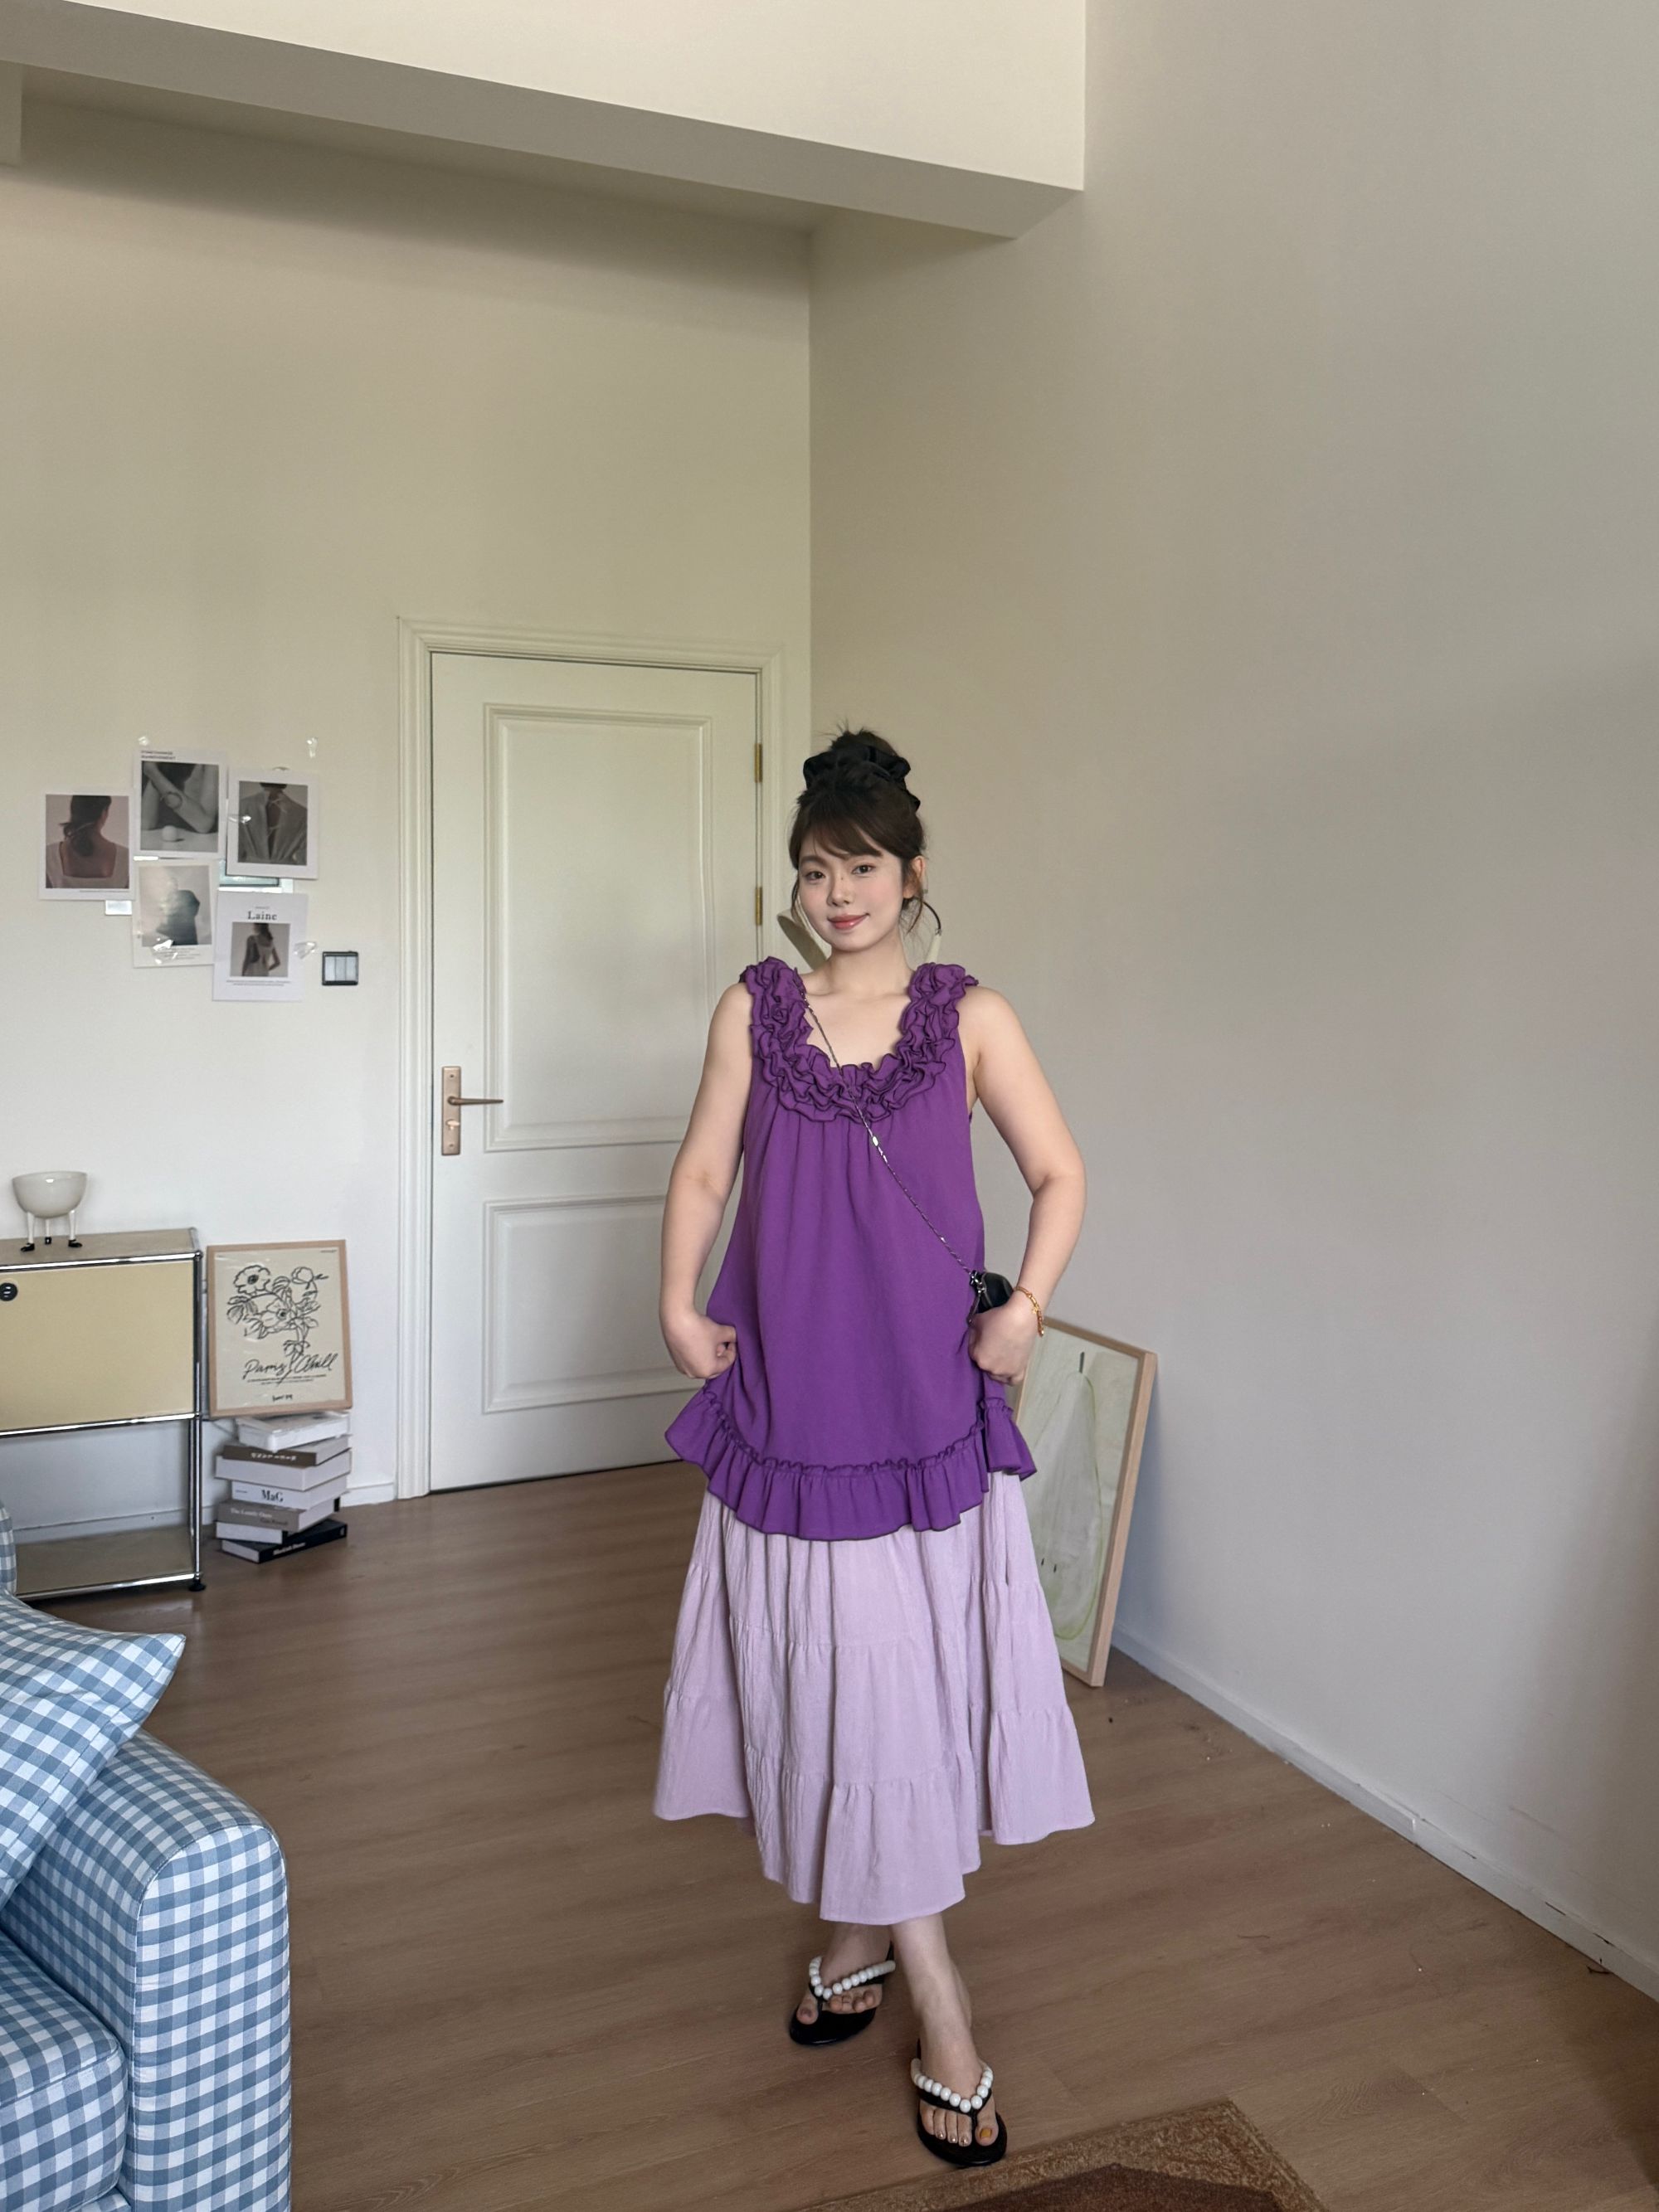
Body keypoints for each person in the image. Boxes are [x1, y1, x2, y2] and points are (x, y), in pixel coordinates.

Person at [654, 727, 1092, 2170]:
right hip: (795, 1404)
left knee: (893, 1687)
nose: (836, 894)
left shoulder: (970, 1017)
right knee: (850, 1682)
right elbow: (705, 1168)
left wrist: (1026, 1310)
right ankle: (931, 1994)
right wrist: (676, 1300)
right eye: (813, 870)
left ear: (913, 871)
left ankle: (867, 1948)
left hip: (923, 1407)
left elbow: (1058, 1174)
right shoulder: (757, 1008)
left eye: (860, 866)